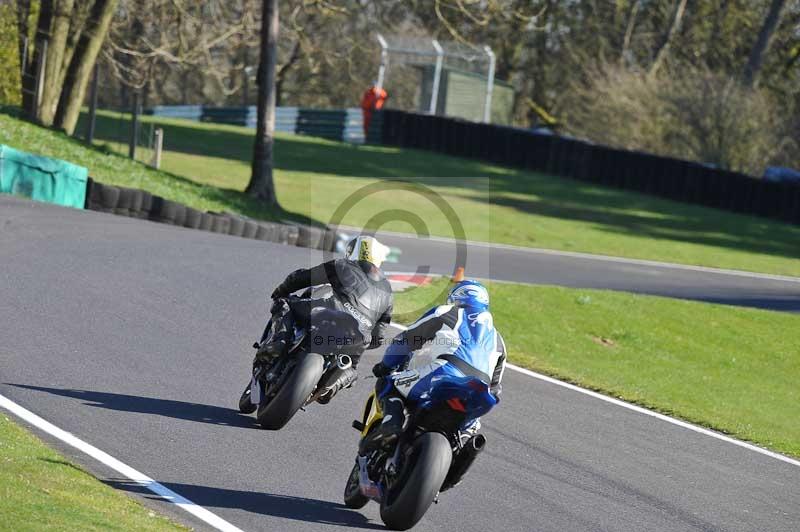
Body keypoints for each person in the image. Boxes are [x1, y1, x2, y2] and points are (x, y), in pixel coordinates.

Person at [364, 279, 506, 451]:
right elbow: (495, 389)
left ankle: (391, 427)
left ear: (456, 298)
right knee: (470, 434)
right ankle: (458, 464)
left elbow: (406, 340)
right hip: (480, 392)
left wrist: (386, 366)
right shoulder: (499, 340)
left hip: (446, 371)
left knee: (388, 383)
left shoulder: (445, 311)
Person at [256, 235, 394, 403]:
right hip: (360, 335)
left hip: (330, 312)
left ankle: (278, 343)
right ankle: (335, 382)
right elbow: (379, 337)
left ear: (353, 252)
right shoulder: (388, 291)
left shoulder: (343, 265)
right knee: (351, 367)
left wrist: (281, 290)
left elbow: (304, 277)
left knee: (286, 304)